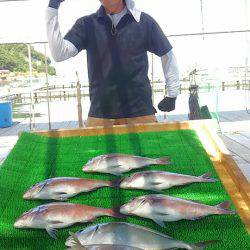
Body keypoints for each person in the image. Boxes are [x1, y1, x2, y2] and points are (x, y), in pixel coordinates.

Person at [46, 0, 180, 127]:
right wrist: (53, 7)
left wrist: (172, 94)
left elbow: (167, 54)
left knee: (148, 152)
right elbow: (59, 54)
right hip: (100, 114)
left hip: (141, 114)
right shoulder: (86, 24)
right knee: (96, 152)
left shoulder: (144, 22)